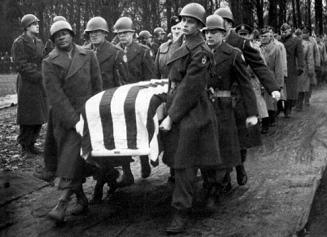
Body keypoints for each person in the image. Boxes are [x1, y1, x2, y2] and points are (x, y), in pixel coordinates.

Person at [159, 3, 221, 234]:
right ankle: (208, 191)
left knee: (185, 162)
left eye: (191, 21)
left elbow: (190, 88)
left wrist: (171, 117)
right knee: (187, 159)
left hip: (193, 111)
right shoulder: (182, 44)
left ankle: (181, 210)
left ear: (199, 26)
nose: (185, 24)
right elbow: (174, 80)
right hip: (180, 105)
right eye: (183, 20)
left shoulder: (201, 51)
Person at [42, 20, 102, 222]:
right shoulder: (49, 62)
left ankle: (63, 202)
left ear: (72, 34)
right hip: (64, 119)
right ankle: (81, 199)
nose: (62, 37)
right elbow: (55, 96)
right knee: (70, 157)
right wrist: (74, 121)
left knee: (75, 157)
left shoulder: (88, 55)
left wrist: (94, 113)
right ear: (53, 40)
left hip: (88, 114)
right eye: (57, 35)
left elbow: (97, 86)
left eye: (65, 33)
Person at [215, 7, 280, 189]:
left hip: (239, 98)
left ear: (229, 24)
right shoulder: (210, 43)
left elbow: (259, 66)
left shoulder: (242, 43)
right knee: (223, 139)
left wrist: (273, 87)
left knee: (240, 138)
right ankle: (225, 177)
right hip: (220, 99)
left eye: (222, 23)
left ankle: (240, 166)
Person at [203, 15, 258, 209]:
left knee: (225, 148)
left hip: (225, 108)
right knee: (207, 149)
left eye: (214, 32)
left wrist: (252, 113)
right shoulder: (199, 52)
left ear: (223, 33)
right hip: (204, 108)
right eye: (206, 32)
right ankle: (212, 183)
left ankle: (216, 188)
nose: (209, 36)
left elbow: (245, 84)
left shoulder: (233, 54)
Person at [84, 16, 129, 203]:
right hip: (90, 107)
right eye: (90, 33)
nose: (94, 35)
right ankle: (108, 179)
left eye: (97, 32)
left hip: (110, 107)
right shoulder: (84, 52)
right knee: (95, 149)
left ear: (104, 33)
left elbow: (124, 83)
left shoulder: (116, 53)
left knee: (110, 148)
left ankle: (103, 184)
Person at [113, 16, 155, 187]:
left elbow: (150, 77)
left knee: (141, 131)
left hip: (140, 97)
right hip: (120, 98)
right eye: (119, 34)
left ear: (133, 33)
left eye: (125, 33)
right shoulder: (115, 52)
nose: (122, 36)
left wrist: (144, 95)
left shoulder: (144, 51)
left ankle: (144, 160)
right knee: (122, 135)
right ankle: (127, 172)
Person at [11, 14, 47, 159]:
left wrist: (42, 73)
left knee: (39, 114)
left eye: (37, 23)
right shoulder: (19, 43)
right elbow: (21, 65)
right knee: (27, 115)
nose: (37, 26)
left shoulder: (38, 42)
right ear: (26, 27)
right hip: (27, 83)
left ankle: (32, 144)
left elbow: (43, 60)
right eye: (34, 24)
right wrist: (39, 75)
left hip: (39, 81)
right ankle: (25, 146)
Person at [259, 28, 284, 133]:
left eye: (266, 36)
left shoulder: (276, 49)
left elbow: (279, 67)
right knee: (261, 101)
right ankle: (264, 120)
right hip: (259, 77)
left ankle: (270, 120)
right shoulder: (258, 48)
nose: (263, 38)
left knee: (270, 101)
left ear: (271, 37)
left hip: (271, 76)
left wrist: (279, 83)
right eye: (262, 36)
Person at [280, 23, 304, 118]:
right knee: (280, 88)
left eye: (285, 31)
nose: (283, 33)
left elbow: (300, 55)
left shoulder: (296, 41)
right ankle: (278, 108)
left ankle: (288, 108)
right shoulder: (278, 41)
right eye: (282, 32)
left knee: (290, 91)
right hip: (280, 68)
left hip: (291, 68)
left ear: (290, 30)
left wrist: (300, 67)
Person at [294, 28, 314, 112]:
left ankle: (299, 105)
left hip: (303, 68)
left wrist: (310, 69)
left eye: (300, 34)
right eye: (297, 34)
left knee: (301, 87)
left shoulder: (307, 45)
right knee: (294, 86)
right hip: (293, 67)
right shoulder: (292, 43)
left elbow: (310, 58)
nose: (299, 36)